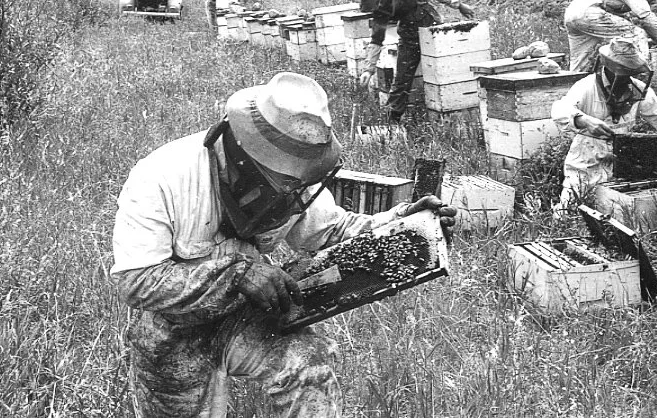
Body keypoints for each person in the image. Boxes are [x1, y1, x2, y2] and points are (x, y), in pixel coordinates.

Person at [110, 72, 457, 417]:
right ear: (250, 159)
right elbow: (136, 282)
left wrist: (400, 223)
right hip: (173, 328)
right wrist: (234, 276)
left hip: (248, 316)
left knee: (309, 365)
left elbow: (331, 230)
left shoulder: (293, 174)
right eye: (288, 179)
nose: (296, 189)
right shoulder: (161, 176)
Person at [551, 37, 657, 213]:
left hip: (621, 161)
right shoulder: (586, 87)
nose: (628, 77)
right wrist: (584, 120)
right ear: (610, 68)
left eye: (631, 72)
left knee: (615, 213)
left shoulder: (636, 87)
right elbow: (560, 108)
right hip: (585, 162)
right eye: (624, 72)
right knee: (568, 211)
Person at [357, 0, 475, 122]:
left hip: (432, 33)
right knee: (401, 80)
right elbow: (376, 41)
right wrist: (368, 70)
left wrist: (460, 5)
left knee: (443, 75)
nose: (381, 7)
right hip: (409, 38)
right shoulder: (380, 11)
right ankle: (392, 120)